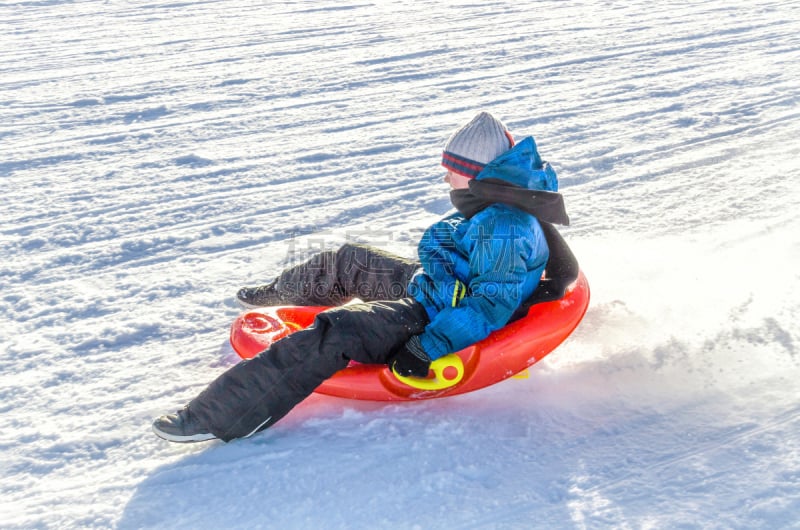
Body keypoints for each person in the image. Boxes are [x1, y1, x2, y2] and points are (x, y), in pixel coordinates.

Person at [152, 111, 570, 443]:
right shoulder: (497, 205)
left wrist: (428, 346)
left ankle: (215, 417)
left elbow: (488, 304)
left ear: (478, 174)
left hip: (437, 315)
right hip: (437, 286)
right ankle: (280, 294)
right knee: (352, 259)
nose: (445, 177)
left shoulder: (504, 226)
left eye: (452, 169)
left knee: (340, 330)